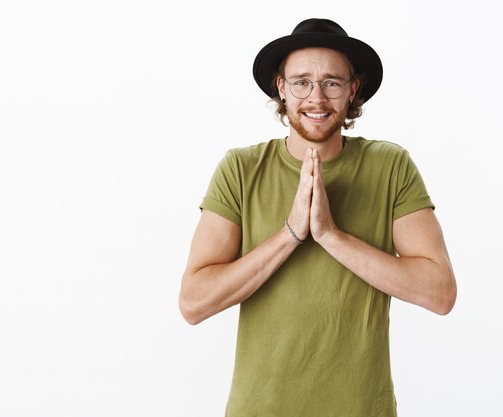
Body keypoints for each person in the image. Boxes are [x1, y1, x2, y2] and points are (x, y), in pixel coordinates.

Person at [178, 18, 457, 416]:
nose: (317, 98)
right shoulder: (240, 169)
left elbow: (440, 292)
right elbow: (193, 303)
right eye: (301, 82)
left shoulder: (390, 165)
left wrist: (330, 235)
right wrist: (290, 233)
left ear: (352, 90)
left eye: (332, 83)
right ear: (281, 88)